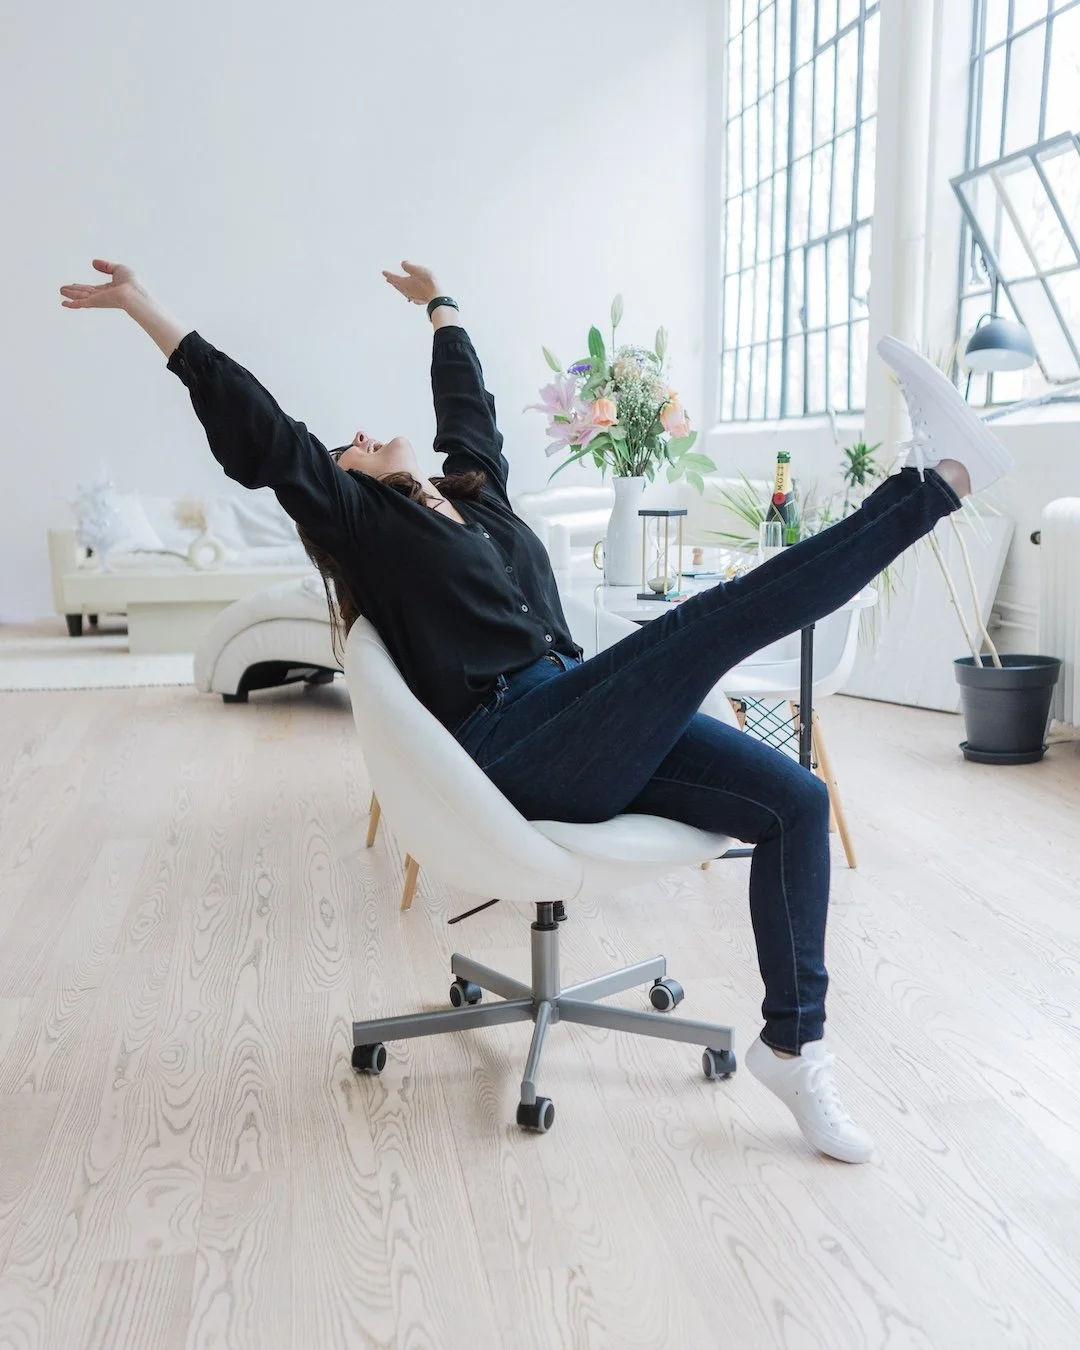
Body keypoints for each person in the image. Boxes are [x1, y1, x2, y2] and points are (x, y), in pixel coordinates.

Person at [60, 258, 1012, 1163]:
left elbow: (468, 412)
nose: (354, 431)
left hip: (585, 716)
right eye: (344, 443)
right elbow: (261, 430)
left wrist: (443, 308)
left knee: (796, 803)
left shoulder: (478, 502)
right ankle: (936, 485)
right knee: (709, 624)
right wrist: (153, 313)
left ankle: (795, 1053)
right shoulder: (365, 526)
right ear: (344, 478)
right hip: (512, 744)